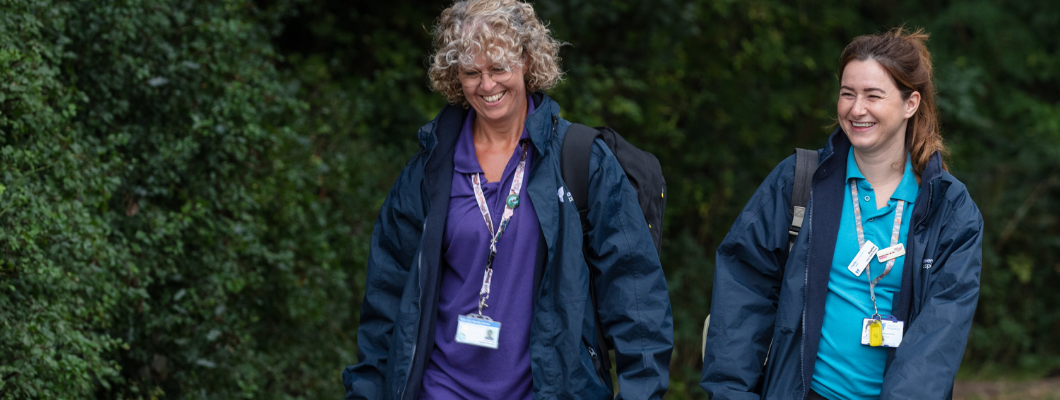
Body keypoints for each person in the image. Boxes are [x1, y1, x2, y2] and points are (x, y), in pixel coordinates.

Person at [341, 1, 673, 399]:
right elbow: (385, 305)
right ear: (454, 76)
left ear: (528, 61)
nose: (487, 85)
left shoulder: (580, 161)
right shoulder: (431, 169)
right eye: (471, 73)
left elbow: (636, 294)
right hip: (440, 389)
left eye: (498, 68)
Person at [701, 27, 983, 399]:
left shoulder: (950, 208)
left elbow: (939, 336)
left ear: (910, 104)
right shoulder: (798, 182)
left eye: (872, 95)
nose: (856, 108)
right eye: (847, 93)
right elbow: (742, 293)